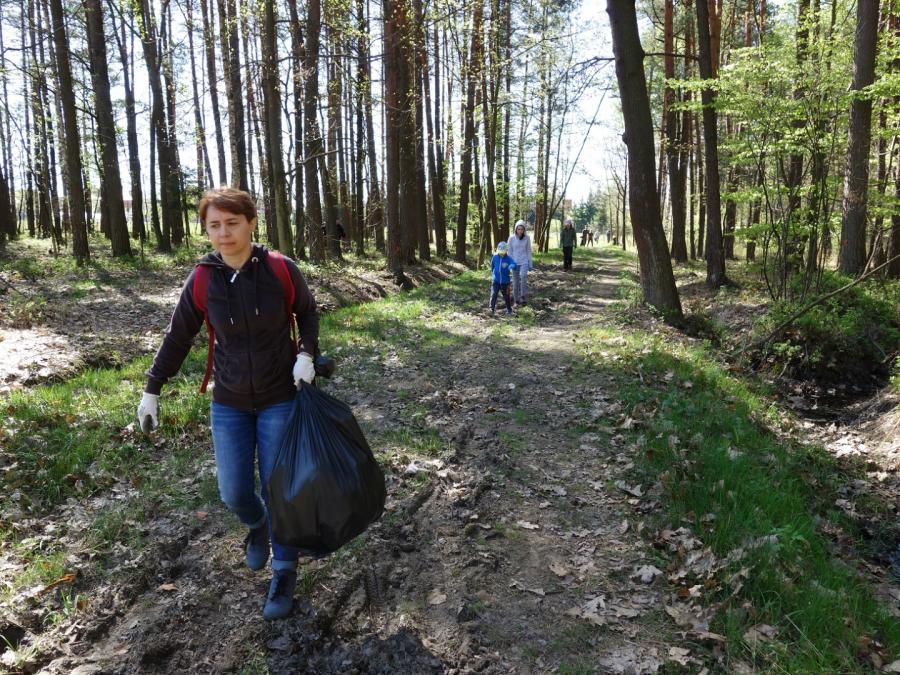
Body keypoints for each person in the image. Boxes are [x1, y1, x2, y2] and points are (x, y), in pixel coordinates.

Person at [137, 187, 319, 621]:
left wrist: (307, 354)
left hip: (280, 397)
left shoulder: (280, 269)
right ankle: (257, 525)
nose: (223, 233)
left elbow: (308, 313)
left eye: (232, 223)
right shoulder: (203, 279)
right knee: (234, 491)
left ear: (251, 223)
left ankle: (284, 572)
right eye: (214, 225)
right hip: (230, 402)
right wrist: (152, 388)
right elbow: (178, 336)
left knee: (280, 490)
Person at [506, 219, 532, 307]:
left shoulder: (527, 238)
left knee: (523, 276)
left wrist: (530, 263)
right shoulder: (511, 238)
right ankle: (516, 300)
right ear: (516, 229)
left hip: (524, 261)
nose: (520, 231)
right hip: (514, 262)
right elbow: (509, 251)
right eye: (518, 229)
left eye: (522, 229)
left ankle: (523, 297)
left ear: (524, 230)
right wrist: (509, 263)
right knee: (515, 281)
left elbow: (528, 251)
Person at [489, 241, 518, 315]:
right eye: (500, 252)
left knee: (506, 296)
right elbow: (492, 266)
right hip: (496, 280)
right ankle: (491, 309)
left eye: (503, 252)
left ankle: (509, 310)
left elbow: (514, 264)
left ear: (506, 251)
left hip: (505, 282)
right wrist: (493, 274)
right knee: (494, 294)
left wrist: (512, 266)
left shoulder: (508, 258)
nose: (501, 254)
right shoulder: (495, 257)